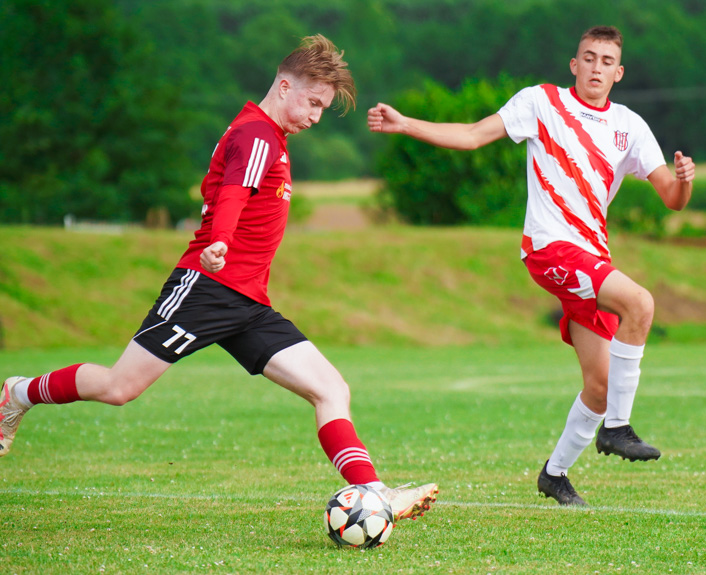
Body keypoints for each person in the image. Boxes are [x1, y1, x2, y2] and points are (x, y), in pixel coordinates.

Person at [1, 34, 437, 521]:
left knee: (331, 390)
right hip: (206, 289)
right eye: (312, 103)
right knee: (118, 387)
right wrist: (220, 242)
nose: (315, 117)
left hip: (248, 304)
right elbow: (235, 192)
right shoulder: (258, 134)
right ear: (285, 84)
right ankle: (16, 392)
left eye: (323, 108)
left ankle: (376, 493)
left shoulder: (272, 137)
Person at [368, 26, 694, 506]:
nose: (597, 67)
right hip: (551, 248)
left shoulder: (630, 125)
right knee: (640, 304)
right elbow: (474, 135)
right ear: (574, 65)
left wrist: (685, 180)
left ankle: (554, 475)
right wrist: (407, 124)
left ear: (618, 72)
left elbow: (671, 198)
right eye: (589, 58)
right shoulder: (541, 103)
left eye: (607, 61)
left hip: (592, 258)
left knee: (599, 388)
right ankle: (618, 429)